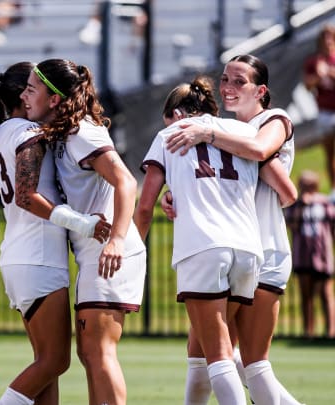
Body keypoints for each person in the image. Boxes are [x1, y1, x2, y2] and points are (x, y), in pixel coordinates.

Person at [163, 55, 303, 404]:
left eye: (239, 81)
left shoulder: (274, 118)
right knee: (203, 357)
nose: (228, 87)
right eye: (225, 79)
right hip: (234, 250)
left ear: (261, 90)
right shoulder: (229, 130)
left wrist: (207, 132)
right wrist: (175, 194)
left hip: (264, 250)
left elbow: (273, 172)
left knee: (252, 363)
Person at [0, 61, 111, 405]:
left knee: (45, 369)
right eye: (32, 87)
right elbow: (26, 196)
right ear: (23, 95)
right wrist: (84, 223)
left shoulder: (5, 130)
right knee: (55, 361)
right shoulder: (28, 133)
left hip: (21, 257)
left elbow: (15, 188)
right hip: (38, 259)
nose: (36, 92)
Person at [135, 75, 268, 405]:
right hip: (248, 249)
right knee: (201, 349)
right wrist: (176, 192)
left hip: (203, 247)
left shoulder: (170, 134)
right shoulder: (244, 131)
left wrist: (133, 253)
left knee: (219, 354)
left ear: (178, 116)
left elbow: (145, 205)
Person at [20, 58, 146, 405]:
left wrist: (117, 240)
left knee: (98, 352)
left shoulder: (81, 132)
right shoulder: (63, 133)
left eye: (32, 89)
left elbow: (126, 182)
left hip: (109, 252)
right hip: (96, 252)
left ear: (56, 99)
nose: (25, 96)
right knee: (90, 354)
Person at [285, 170, 335, 338]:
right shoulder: (295, 204)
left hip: (322, 256)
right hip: (302, 255)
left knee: (326, 293)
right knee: (306, 294)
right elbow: (291, 225)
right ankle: (309, 331)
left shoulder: (325, 203)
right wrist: (301, 205)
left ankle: (331, 331)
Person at [303, 24, 335, 196]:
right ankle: (333, 189)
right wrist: (318, 76)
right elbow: (308, 86)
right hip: (324, 110)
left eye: (330, 37)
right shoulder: (313, 61)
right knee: (329, 154)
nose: (327, 42)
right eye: (324, 38)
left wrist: (329, 73)